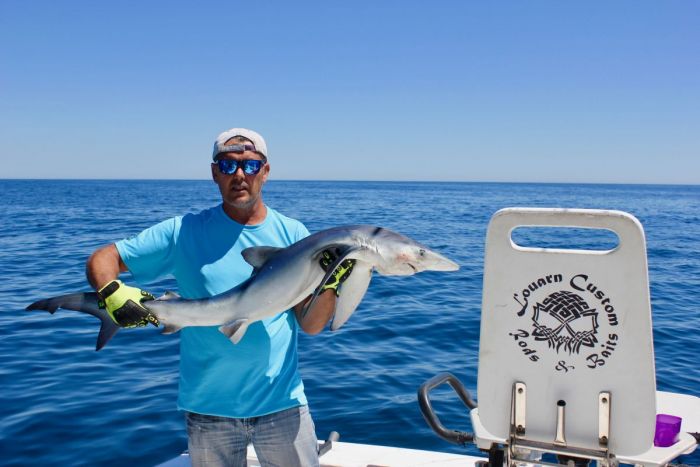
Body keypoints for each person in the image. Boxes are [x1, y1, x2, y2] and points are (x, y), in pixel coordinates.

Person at [85, 128, 354, 467]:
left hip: (282, 404)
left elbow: (312, 326)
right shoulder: (182, 232)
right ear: (214, 173)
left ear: (266, 172)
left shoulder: (295, 237)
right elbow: (104, 258)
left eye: (250, 166)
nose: (239, 175)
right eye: (228, 166)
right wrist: (111, 293)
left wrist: (330, 283)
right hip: (208, 408)